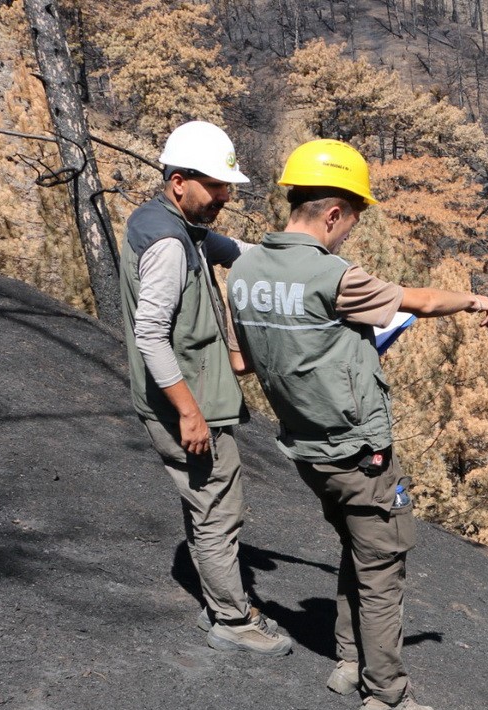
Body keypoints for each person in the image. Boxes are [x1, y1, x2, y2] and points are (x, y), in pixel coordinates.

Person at [228, 138, 488, 710]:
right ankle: (387, 701)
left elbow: (243, 361)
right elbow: (419, 301)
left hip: (305, 446)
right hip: (359, 449)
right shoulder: (334, 275)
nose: (348, 234)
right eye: (350, 221)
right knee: (383, 566)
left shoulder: (245, 272)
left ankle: (351, 663)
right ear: (331, 214)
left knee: (356, 547)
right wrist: (471, 298)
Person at [118, 120, 293, 658]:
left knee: (204, 504)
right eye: (215, 185)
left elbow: (236, 250)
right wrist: (190, 414)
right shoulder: (170, 242)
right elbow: (150, 334)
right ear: (178, 181)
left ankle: (220, 600)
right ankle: (232, 619)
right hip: (188, 406)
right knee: (218, 508)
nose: (225, 195)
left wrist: (304, 261)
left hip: (187, 397)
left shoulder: (173, 224)